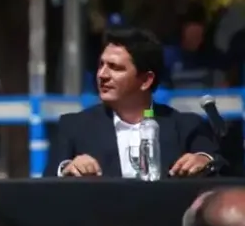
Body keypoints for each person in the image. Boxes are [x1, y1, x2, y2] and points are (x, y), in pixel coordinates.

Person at [45, 27, 222, 178]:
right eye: (101, 65)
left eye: (115, 68)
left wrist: (204, 160)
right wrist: (67, 170)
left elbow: (222, 167)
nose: (102, 75)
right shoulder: (74, 127)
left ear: (146, 80)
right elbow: (46, 186)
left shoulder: (185, 127)